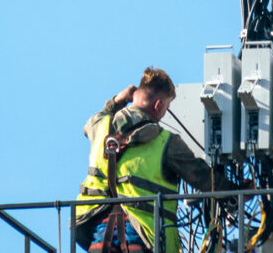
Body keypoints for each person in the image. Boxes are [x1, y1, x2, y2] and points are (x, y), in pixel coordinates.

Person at [75, 67, 228, 253]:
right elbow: (202, 177)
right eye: (166, 107)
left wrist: (118, 101)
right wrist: (236, 191)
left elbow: (92, 122)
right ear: (158, 105)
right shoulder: (166, 142)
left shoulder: (100, 126)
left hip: (98, 232)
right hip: (142, 236)